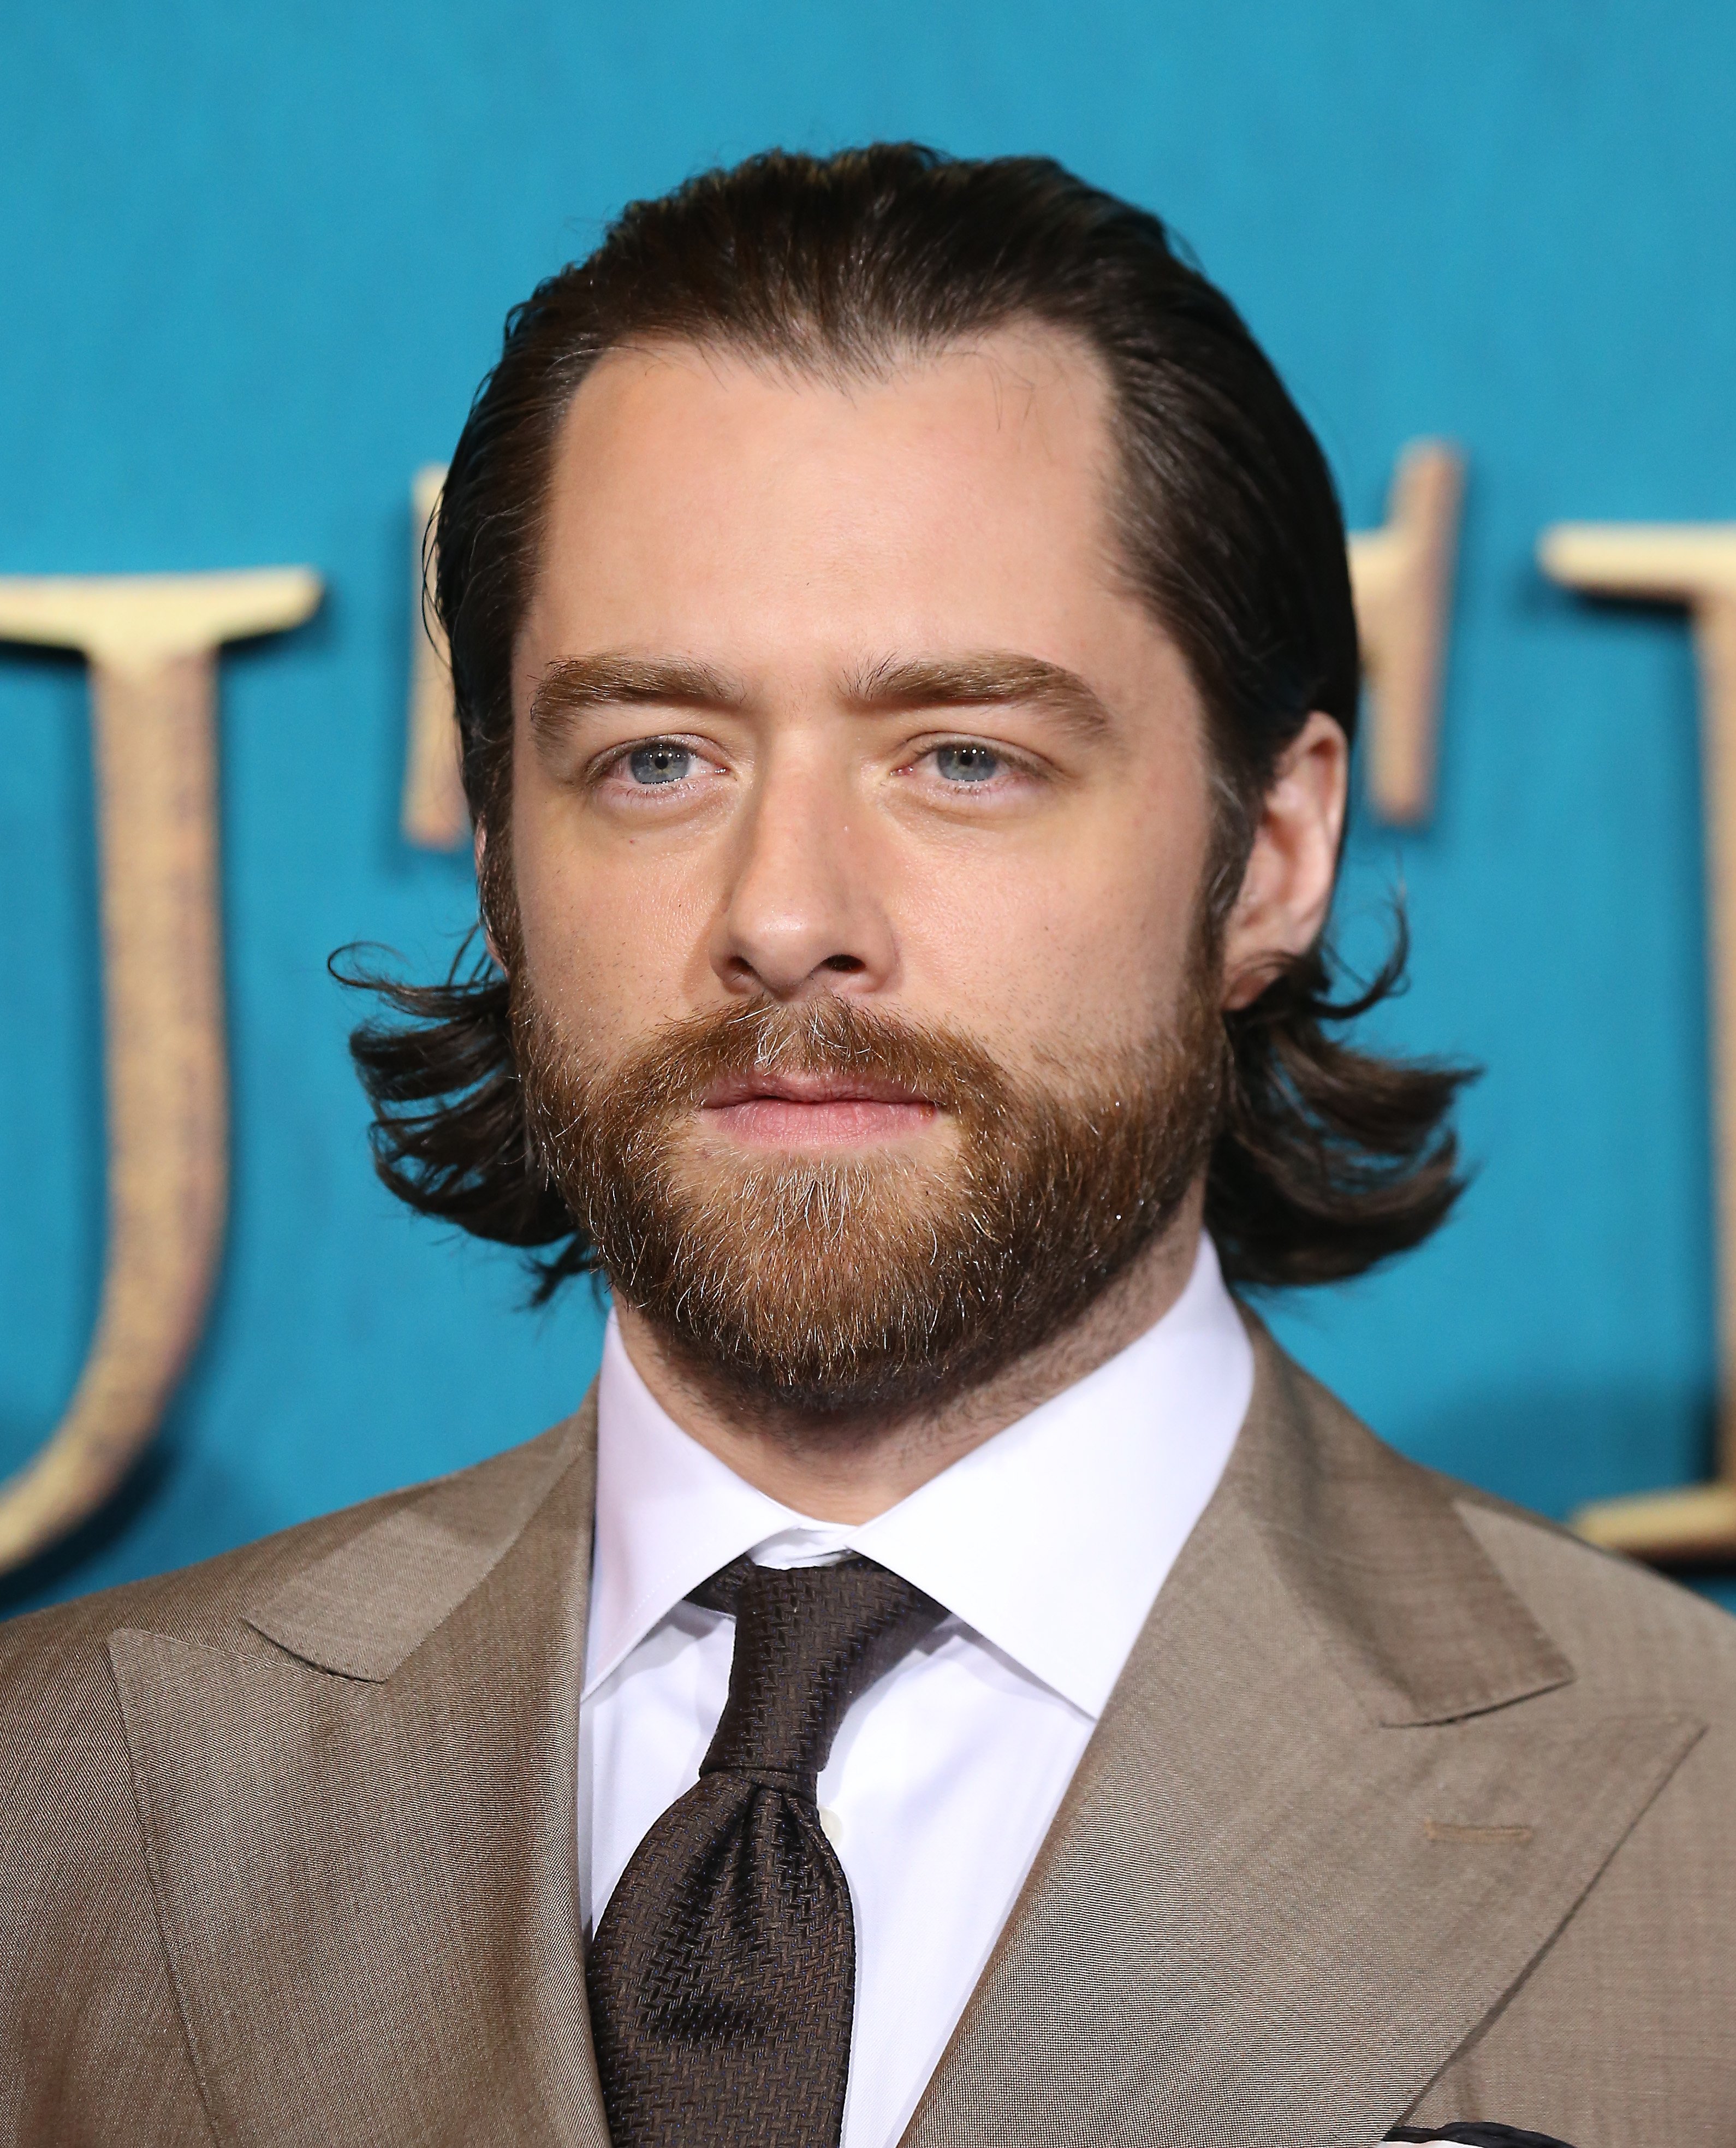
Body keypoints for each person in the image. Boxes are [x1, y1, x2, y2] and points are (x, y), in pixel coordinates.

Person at [1, 145, 1731, 2148]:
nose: (785, 909)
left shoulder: (1693, 1812)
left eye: (964, 758)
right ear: (497, 856)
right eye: (656, 757)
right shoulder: (52, 1815)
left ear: (1270, 855)